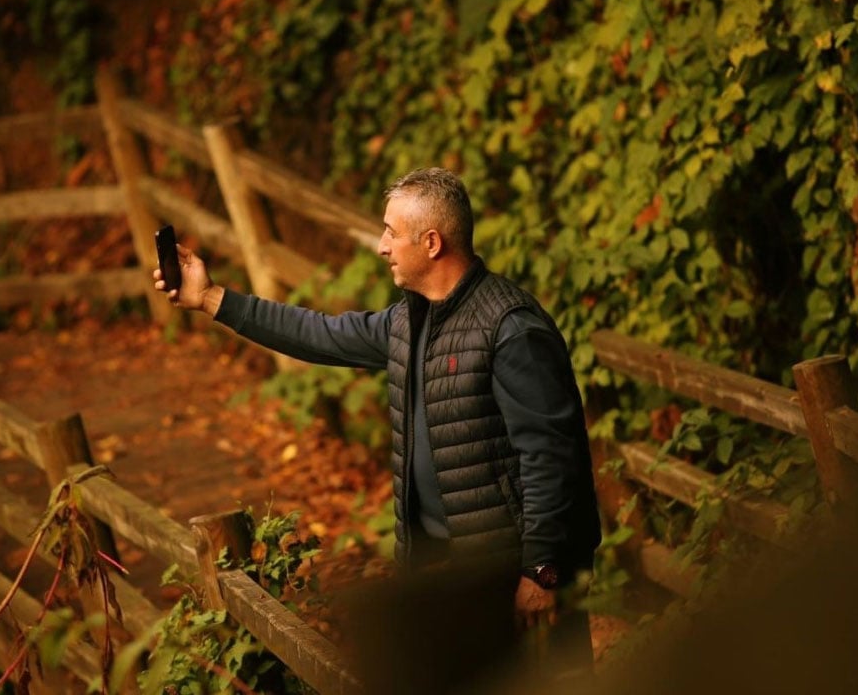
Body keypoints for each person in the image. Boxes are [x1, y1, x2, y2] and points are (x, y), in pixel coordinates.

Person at [154, 167, 601, 675]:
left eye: (391, 232)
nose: (382, 246)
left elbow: (551, 457)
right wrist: (212, 298)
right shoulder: (409, 320)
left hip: (510, 572)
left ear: (431, 243)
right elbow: (319, 334)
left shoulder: (511, 328)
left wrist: (541, 572)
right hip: (445, 573)